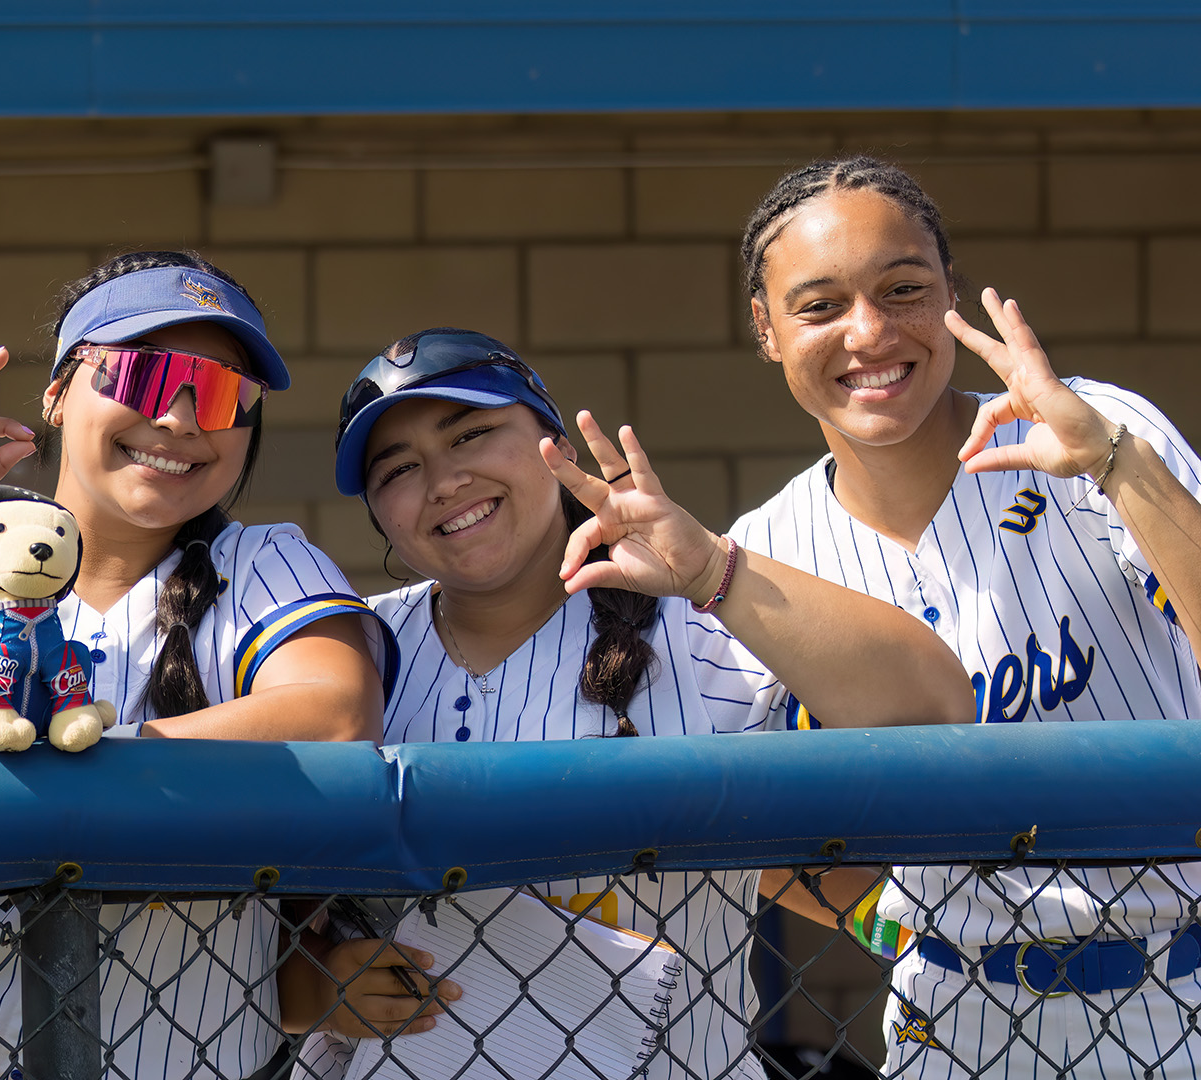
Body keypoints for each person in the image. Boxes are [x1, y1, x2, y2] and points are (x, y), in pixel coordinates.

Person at [283, 328, 974, 1080]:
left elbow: (935, 709)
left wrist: (715, 569)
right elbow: (254, 941)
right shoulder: (348, 653)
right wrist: (320, 983)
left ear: (556, 446)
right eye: (399, 469)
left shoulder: (697, 627)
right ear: (379, 514)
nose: (444, 480)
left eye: (473, 433)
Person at [0, 251, 393, 1079]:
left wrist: (67, 773)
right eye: (145, 378)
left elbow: (334, 714)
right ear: (55, 394)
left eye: (222, 392)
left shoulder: (265, 562)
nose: (184, 418)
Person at [730, 156, 1201, 1077]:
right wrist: (888, 918)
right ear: (768, 330)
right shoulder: (762, 549)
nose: (869, 332)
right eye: (820, 305)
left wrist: (1114, 461)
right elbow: (752, 835)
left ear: (951, 292)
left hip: (1185, 981)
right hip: (956, 1018)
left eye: (903, 290)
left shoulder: (1092, 425)